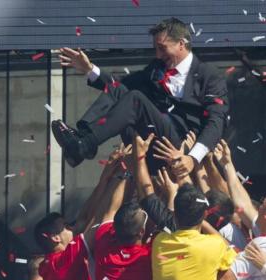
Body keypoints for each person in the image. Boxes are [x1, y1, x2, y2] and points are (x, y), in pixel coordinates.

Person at [53, 17, 228, 175]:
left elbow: (216, 121)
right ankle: (83, 139)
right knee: (120, 89)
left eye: (162, 48)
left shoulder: (209, 75)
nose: (158, 55)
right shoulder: (156, 68)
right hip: (153, 135)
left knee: (135, 98)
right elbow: (120, 85)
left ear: (181, 44)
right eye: (156, 49)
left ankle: (85, 144)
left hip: (181, 142)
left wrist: (193, 158)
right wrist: (89, 70)